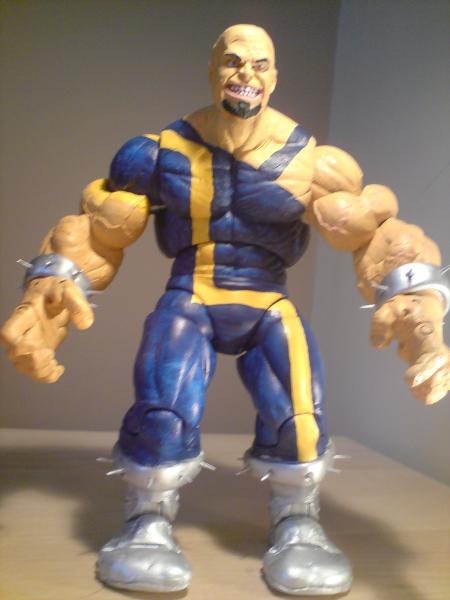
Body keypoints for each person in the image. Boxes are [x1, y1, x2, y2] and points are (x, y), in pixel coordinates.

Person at [2, 24, 449, 597]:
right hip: (192, 293)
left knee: (300, 412)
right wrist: (45, 296)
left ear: (274, 76)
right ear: (213, 70)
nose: (246, 75)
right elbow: (97, 229)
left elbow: (378, 235)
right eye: (233, 61)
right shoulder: (158, 153)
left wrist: (420, 313)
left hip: (266, 299)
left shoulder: (314, 162)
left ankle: (298, 522)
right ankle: (146, 520)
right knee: (164, 407)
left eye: (259, 64)